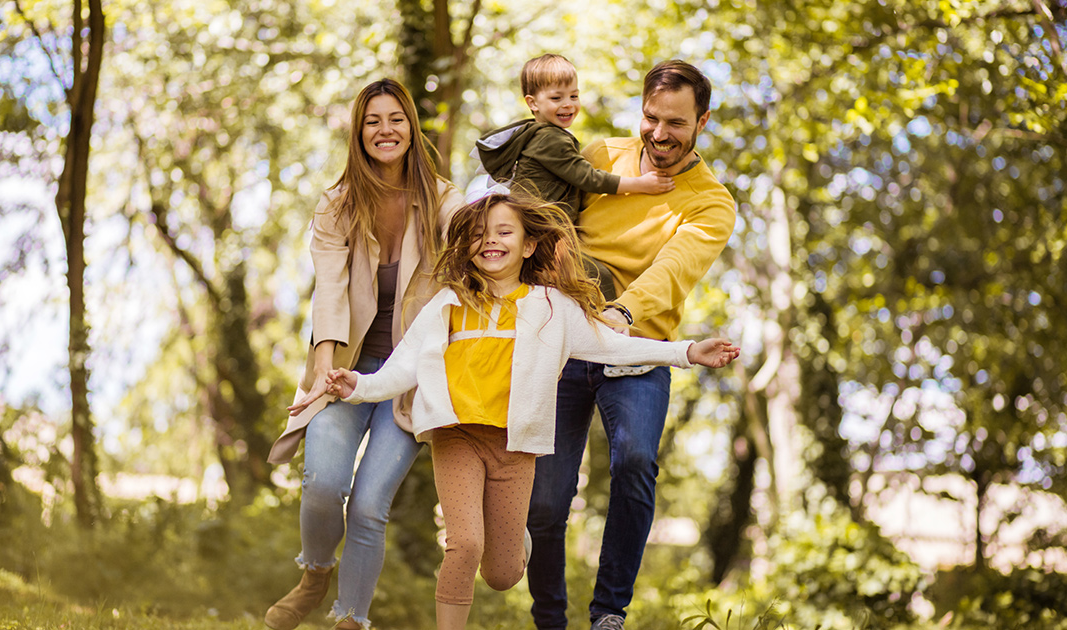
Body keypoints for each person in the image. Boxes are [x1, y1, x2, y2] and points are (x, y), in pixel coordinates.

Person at [289, 193, 739, 630]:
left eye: (505, 231)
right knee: (464, 544)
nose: (492, 240)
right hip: (457, 437)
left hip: (514, 447)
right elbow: (401, 368)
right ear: (467, 245)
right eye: (480, 233)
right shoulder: (447, 304)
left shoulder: (551, 308)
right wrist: (358, 386)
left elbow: (614, 347)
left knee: (502, 575)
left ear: (528, 245)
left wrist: (688, 351)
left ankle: (512, 539)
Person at [524, 60, 738, 630]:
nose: (660, 134)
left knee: (637, 460)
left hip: (639, 346)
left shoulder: (711, 202)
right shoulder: (598, 157)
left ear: (703, 121)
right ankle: (549, 619)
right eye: (650, 118)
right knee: (545, 499)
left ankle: (608, 613)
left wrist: (622, 311)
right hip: (564, 340)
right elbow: (552, 223)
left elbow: (674, 266)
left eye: (677, 123)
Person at [263, 78, 464, 630]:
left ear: (411, 127)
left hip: (408, 379)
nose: (385, 130)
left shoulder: (443, 200)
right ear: (359, 132)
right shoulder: (338, 204)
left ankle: (350, 620)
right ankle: (314, 574)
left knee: (371, 506)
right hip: (346, 367)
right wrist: (323, 367)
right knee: (324, 483)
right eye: (373, 121)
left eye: (395, 118)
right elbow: (329, 289)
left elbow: (472, 241)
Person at [473, 53, 675, 300]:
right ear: (533, 102)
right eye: (556, 98)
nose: (568, 104)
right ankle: (610, 327)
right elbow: (588, 178)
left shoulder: (542, 134)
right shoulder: (550, 138)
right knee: (596, 276)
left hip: (539, 230)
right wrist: (641, 184)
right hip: (540, 232)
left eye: (574, 96)